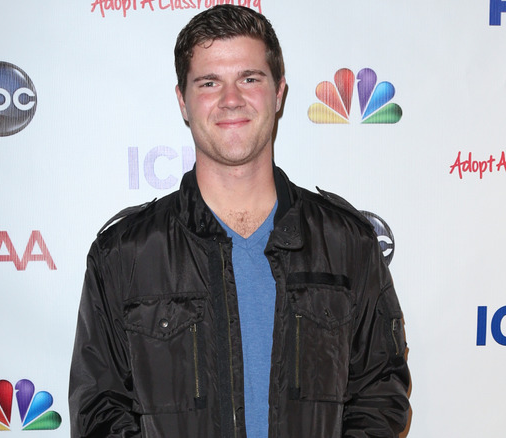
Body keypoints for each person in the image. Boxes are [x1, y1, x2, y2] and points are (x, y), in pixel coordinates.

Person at [69, 5, 410, 437]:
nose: (231, 99)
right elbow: (98, 412)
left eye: (250, 79)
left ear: (279, 93)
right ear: (183, 101)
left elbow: (380, 394)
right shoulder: (125, 254)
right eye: (209, 82)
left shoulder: (347, 243)